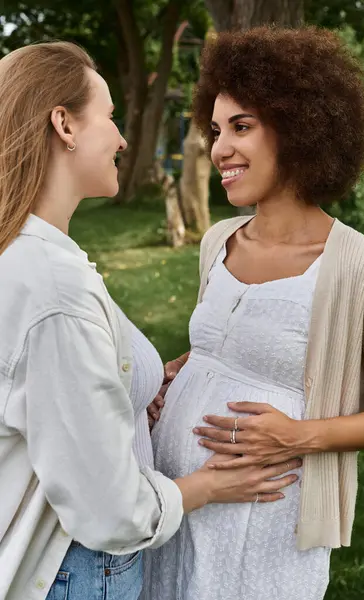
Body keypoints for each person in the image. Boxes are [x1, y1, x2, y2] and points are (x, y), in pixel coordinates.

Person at [0, 41, 299, 600]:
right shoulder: (54, 286)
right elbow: (107, 511)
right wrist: (204, 488)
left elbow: (50, 391)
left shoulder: (34, 257)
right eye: (110, 116)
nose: (121, 138)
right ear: (64, 124)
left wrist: (138, 379)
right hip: (77, 570)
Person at [143, 26, 364, 600]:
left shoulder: (362, 266)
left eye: (242, 127)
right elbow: (230, 342)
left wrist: (298, 436)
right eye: (214, 130)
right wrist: (173, 373)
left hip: (267, 517)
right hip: (179, 493)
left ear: (301, 127)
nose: (220, 149)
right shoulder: (218, 239)